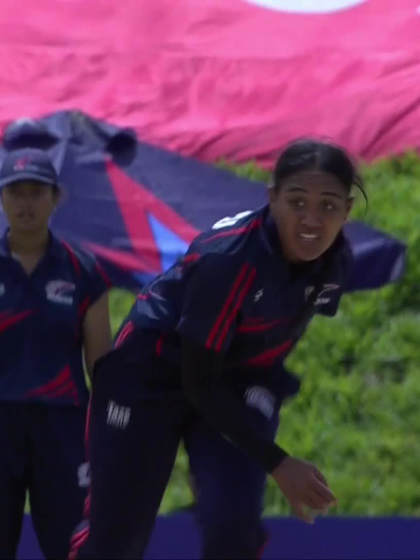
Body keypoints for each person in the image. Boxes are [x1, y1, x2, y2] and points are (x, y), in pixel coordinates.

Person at [71, 138, 366, 560]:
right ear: (272, 198)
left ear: (347, 211)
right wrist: (278, 462)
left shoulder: (334, 261)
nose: (311, 221)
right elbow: (198, 379)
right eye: (297, 202)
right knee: (116, 539)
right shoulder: (230, 258)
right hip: (150, 376)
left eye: (328, 206)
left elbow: (273, 336)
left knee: (234, 525)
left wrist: (222, 458)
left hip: (236, 378)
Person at [0, 148, 112, 559]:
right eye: (15, 192)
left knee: (71, 548)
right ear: (1, 199)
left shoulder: (82, 270)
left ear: (56, 197)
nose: (25, 203)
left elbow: (102, 366)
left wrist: (109, 436)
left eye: (35, 192)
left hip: (63, 429)